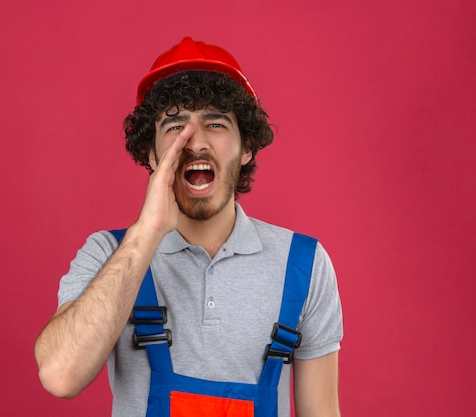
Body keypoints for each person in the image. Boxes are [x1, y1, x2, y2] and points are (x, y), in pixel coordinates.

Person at [34, 37, 343, 417]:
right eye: (176, 125)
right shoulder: (108, 254)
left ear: (246, 148)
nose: (194, 142)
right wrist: (147, 232)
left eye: (215, 122)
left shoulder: (304, 265)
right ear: (152, 153)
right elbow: (60, 375)